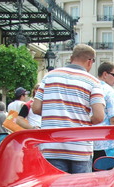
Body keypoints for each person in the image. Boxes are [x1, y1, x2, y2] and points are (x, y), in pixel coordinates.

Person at [32, 43, 105, 174]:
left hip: (52, 146)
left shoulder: (49, 76)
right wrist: (83, 119)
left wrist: (53, 111)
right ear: (90, 61)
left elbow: (36, 108)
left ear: (71, 58)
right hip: (80, 146)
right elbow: (99, 117)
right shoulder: (92, 82)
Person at [94, 61, 114, 161]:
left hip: (86, 143)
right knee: (104, 175)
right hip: (105, 144)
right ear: (105, 74)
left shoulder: (89, 87)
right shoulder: (109, 91)